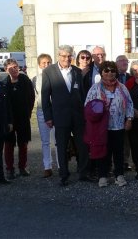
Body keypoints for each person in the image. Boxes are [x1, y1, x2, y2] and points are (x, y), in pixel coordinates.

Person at [41, 45, 89, 186]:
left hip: (78, 115)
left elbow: (82, 94)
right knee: (62, 146)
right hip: (60, 116)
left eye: (69, 56)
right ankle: (64, 175)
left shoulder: (77, 72)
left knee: (83, 145)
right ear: (58, 56)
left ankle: (83, 172)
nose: (66, 58)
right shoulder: (49, 72)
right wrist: (48, 117)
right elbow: (45, 96)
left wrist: (86, 113)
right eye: (63, 56)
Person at [85, 61, 134, 187]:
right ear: (101, 73)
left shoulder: (122, 87)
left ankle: (119, 175)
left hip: (118, 125)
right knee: (103, 152)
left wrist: (129, 119)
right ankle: (103, 176)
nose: (109, 73)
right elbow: (87, 106)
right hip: (102, 126)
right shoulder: (95, 88)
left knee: (118, 151)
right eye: (106, 70)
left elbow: (129, 103)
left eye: (112, 70)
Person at [3, 58, 35, 179]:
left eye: (16, 67)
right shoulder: (4, 83)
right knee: (9, 144)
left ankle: (22, 167)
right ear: (6, 70)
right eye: (11, 68)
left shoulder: (25, 80)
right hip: (9, 119)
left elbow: (31, 97)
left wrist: (28, 112)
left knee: (23, 143)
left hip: (23, 117)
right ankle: (9, 169)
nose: (14, 70)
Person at [32, 53, 57, 178]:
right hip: (42, 111)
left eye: (49, 62)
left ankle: (60, 165)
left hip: (56, 111)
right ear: (39, 65)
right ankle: (47, 166)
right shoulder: (36, 79)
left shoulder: (57, 77)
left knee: (58, 140)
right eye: (44, 63)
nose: (46, 65)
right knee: (45, 141)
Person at [116, 54, 133, 172]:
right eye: (122, 61)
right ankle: (115, 162)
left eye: (126, 61)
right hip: (115, 113)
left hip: (128, 112)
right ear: (116, 63)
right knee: (115, 139)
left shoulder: (131, 77)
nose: (124, 63)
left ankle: (125, 162)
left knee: (126, 139)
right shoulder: (112, 76)